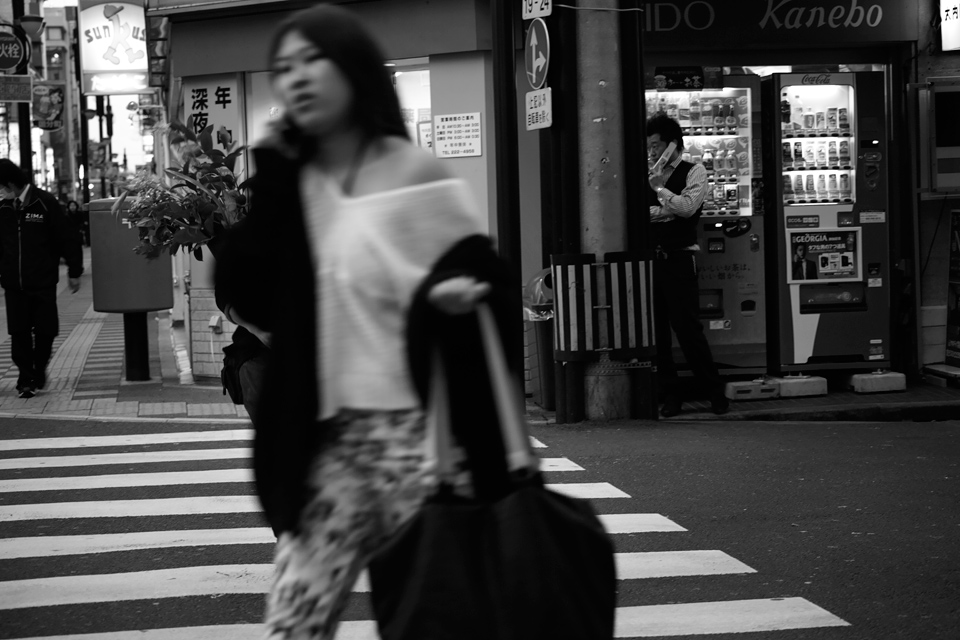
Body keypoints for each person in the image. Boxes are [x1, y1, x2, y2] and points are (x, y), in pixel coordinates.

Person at [213, 6, 517, 639]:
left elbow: (486, 280)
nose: (294, 77)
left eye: (311, 61)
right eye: (284, 66)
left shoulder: (410, 172)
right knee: (296, 622)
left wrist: (452, 297)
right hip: (326, 445)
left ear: (351, 70)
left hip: (415, 444)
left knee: (427, 620)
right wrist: (272, 179)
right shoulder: (294, 180)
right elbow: (242, 290)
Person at [646, 114, 728, 417]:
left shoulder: (695, 171)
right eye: (649, 146)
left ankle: (714, 391)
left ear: (672, 145)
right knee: (658, 336)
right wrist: (668, 207)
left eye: (656, 145)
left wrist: (661, 192)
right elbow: (649, 214)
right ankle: (671, 395)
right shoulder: (647, 172)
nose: (652, 152)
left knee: (688, 330)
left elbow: (688, 208)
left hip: (680, 260)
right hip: (651, 262)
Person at [0, 160, 84, 398]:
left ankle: (38, 367)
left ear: (10, 183)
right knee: (19, 333)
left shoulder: (44, 203)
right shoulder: (3, 208)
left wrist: (74, 271)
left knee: (46, 331)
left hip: (43, 282)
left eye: (1, 186)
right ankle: (26, 379)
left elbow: (67, 238)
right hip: (14, 284)